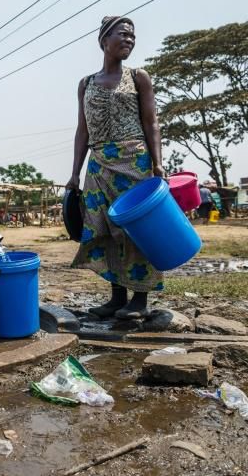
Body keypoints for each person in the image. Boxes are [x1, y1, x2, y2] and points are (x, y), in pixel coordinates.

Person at [66, 16, 164, 320]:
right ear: (103, 40)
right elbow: (82, 131)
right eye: (122, 34)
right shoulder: (86, 84)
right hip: (98, 166)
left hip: (134, 162)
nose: (129, 40)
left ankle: (140, 299)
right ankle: (117, 297)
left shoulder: (139, 77)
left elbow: (152, 123)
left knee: (137, 231)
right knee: (104, 229)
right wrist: (74, 173)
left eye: (132, 36)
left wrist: (158, 164)